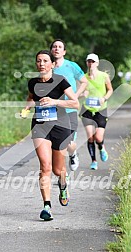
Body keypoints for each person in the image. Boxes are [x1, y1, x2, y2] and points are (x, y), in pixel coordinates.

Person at [21, 50, 79, 221]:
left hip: (61, 126)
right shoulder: (32, 82)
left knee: (57, 169)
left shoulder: (61, 81)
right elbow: (31, 97)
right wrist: (26, 109)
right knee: (45, 166)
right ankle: (47, 205)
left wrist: (55, 101)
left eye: (45, 60)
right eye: (39, 61)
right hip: (40, 126)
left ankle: (63, 186)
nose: (42, 64)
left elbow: (75, 103)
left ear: (52, 64)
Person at [50, 39, 88, 171]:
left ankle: (73, 154)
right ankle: (61, 172)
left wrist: (75, 96)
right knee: (55, 144)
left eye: (60, 47)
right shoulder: (47, 67)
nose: (56, 48)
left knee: (69, 143)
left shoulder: (71, 66)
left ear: (64, 51)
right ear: (51, 50)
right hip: (53, 110)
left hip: (70, 109)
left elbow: (84, 82)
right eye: (54, 46)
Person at [79, 53, 113, 170]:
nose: (91, 63)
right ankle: (93, 161)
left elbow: (110, 90)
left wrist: (104, 98)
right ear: (86, 63)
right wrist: (83, 94)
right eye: (89, 61)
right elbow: (77, 94)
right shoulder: (83, 78)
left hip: (101, 110)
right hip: (87, 110)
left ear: (97, 63)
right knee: (90, 137)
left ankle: (101, 147)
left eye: (93, 61)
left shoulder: (104, 76)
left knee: (98, 137)